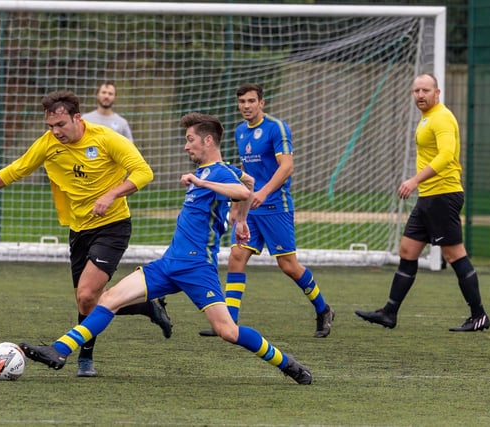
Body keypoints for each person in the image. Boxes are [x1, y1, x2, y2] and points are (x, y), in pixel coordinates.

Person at [19, 112, 313, 385]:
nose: (186, 147)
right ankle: (59, 350)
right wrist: (242, 220)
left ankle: (286, 363)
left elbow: (242, 190)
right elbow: (247, 181)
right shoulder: (220, 171)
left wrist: (203, 183)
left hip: (198, 267)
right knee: (108, 299)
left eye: (190, 140)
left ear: (208, 141)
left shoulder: (219, 173)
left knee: (228, 331)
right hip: (170, 262)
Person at [0, 90, 172, 378]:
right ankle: (146, 307)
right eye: (50, 126)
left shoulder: (106, 139)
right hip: (78, 229)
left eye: (61, 125)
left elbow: (143, 172)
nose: (55, 132)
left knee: (88, 293)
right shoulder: (48, 144)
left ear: (77, 118)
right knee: (87, 301)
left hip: (113, 225)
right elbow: (15, 170)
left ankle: (84, 359)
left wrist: (111, 195)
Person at [355, 73, 490, 332]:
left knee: (454, 254)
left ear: (437, 92)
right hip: (429, 198)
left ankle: (479, 315)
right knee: (407, 250)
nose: (420, 95)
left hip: (442, 195)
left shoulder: (441, 117)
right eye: (416, 90)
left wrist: (415, 180)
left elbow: (447, 156)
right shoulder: (427, 118)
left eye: (425, 90)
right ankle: (389, 313)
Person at [199, 82, 334, 338]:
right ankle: (230, 323)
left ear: (262, 102)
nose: (246, 106)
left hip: (276, 207)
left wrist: (263, 192)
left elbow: (287, 167)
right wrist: (239, 207)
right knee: (236, 257)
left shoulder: (276, 128)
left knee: (288, 266)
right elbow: (246, 175)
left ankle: (323, 308)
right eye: (242, 102)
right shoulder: (240, 132)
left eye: (251, 101)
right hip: (252, 209)